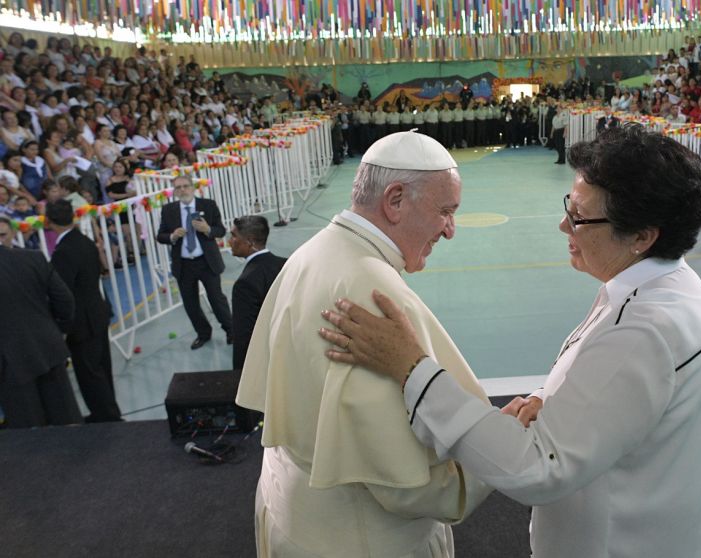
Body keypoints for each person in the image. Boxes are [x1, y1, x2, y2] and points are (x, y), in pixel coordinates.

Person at [320, 125, 701, 557]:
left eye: (580, 217)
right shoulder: (665, 287)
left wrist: (412, 368)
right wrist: (550, 399)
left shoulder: (646, 328)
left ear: (643, 236)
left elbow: (538, 468)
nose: (563, 225)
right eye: (569, 205)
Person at [235, 132, 491, 557]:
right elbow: (404, 487)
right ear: (394, 200)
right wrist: (493, 460)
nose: (450, 231)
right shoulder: (372, 292)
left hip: (293, 512)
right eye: (445, 212)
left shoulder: (311, 250)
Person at [0, 217, 81, 428]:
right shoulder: (33, 258)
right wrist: (59, 330)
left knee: (29, 432)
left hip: (9, 362)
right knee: (67, 420)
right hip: (48, 347)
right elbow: (65, 300)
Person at [47, 199, 123, 422]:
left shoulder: (63, 252)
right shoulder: (85, 241)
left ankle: (106, 416)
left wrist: (61, 325)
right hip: (97, 312)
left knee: (90, 373)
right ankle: (109, 411)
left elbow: (63, 292)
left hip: (81, 321)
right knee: (102, 367)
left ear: (49, 222)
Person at [155, 175, 233, 350]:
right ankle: (203, 333)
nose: (182, 190)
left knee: (216, 298)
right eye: (178, 187)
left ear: (193, 187)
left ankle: (231, 330)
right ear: (174, 192)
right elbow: (160, 236)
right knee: (190, 303)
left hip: (206, 262)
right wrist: (173, 236)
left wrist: (208, 230)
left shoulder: (208, 205)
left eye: (185, 186)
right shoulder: (168, 210)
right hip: (184, 264)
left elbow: (221, 230)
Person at [229, 215, 286, 374]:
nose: (229, 241)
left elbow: (244, 337)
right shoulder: (286, 263)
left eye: (234, 236)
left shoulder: (245, 284)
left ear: (250, 242)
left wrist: (239, 374)